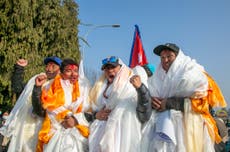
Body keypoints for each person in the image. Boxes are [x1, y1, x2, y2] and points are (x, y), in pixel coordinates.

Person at [131, 43, 227, 152]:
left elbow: (205, 104)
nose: (165, 60)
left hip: (188, 133)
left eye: (169, 56)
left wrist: (168, 103)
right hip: (162, 133)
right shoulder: (157, 78)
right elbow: (152, 97)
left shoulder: (193, 73)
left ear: (178, 57)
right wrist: (153, 102)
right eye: (162, 57)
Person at [0, 56, 62, 152]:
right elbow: (18, 89)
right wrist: (19, 69)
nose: (49, 69)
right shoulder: (36, 79)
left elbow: (42, 111)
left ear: (60, 70)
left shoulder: (60, 87)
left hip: (42, 130)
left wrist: (37, 88)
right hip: (24, 127)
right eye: (47, 66)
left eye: (53, 66)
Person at [88, 56, 146, 152]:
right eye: (107, 68)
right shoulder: (98, 88)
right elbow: (90, 110)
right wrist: (96, 115)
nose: (110, 71)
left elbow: (143, 107)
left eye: (113, 67)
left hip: (122, 132)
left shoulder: (130, 86)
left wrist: (140, 89)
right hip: (99, 133)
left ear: (121, 68)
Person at [36, 58, 90, 152]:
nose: (73, 74)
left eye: (76, 71)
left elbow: (87, 108)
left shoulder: (83, 86)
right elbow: (50, 106)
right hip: (57, 127)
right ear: (61, 72)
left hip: (78, 127)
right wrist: (67, 116)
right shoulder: (51, 85)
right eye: (69, 71)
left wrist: (76, 119)